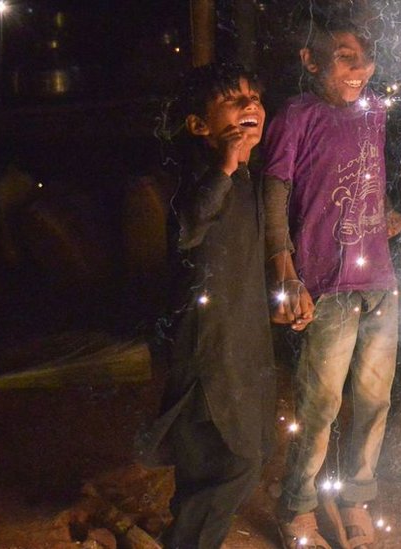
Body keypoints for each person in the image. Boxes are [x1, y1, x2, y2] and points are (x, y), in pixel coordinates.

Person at [262, 3, 401, 548]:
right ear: (311, 60)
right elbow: (274, 190)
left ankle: (355, 499)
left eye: (366, 59)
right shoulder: (296, 117)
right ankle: (296, 507)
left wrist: (384, 211)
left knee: (374, 399)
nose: (359, 70)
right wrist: (286, 271)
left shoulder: (374, 111)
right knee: (320, 404)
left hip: (379, 283)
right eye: (345, 58)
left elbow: (371, 173)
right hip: (326, 285)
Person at [138, 62, 276, 549]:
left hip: (242, 338)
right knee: (233, 463)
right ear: (199, 126)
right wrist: (224, 165)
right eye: (233, 101)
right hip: (207, 345)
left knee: (217, 461)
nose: (250, 106)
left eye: (253, 97)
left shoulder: (246, 178)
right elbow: (186, 229)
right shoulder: (193, 175)